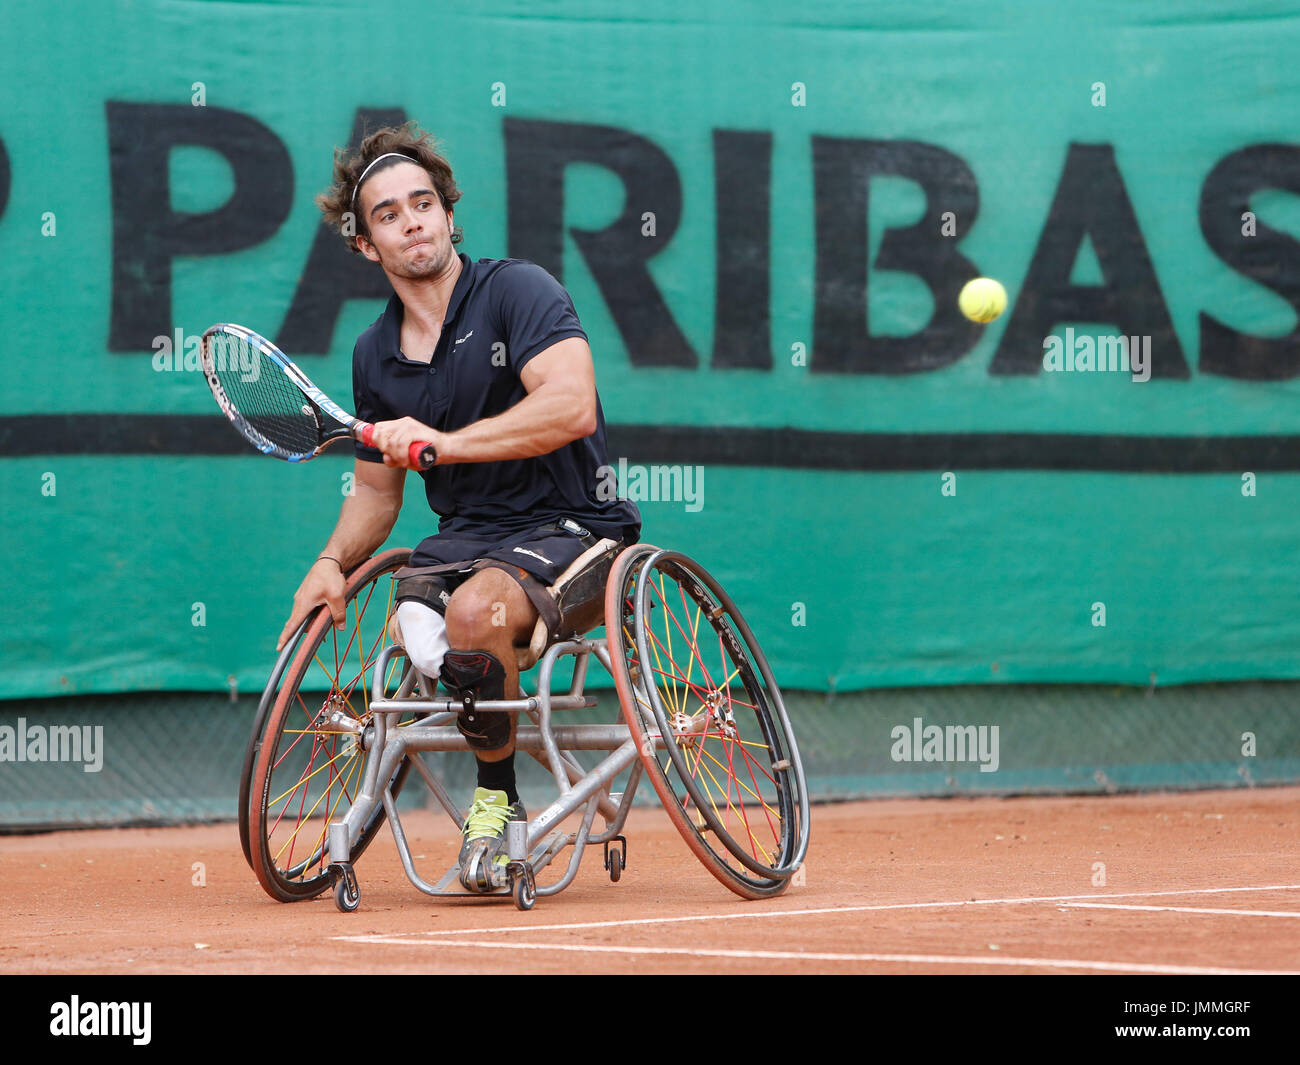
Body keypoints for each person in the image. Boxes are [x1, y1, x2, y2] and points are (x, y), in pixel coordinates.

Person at [275, 122, 640, 892]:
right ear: (366, 243)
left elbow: (571, 405)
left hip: (575, 527)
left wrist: (444, 443)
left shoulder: (518, 291)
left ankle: (496, 802)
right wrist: (330, 563)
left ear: (447, 213)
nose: (411, 219)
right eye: (387, 213)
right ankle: (487, 738)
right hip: (464, 543)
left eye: (423, 202)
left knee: (475, 614)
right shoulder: (374, 355)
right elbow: (377, 491)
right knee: (418, 628)